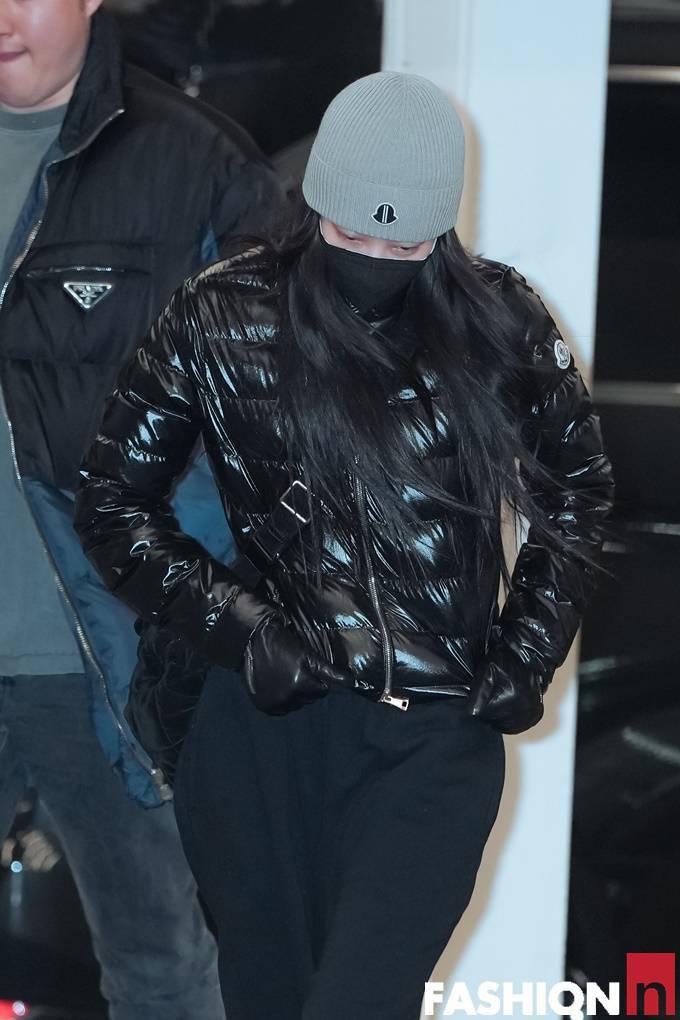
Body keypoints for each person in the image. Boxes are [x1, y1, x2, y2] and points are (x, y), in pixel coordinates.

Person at [75, 71, 615, 1020]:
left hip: (434, 738)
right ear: (315, 200)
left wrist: (525, 654)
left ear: (441, 227)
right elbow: (113, 503)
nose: (375, 256)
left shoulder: (501, 321)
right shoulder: (220, 313)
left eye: (403, 240)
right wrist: (245, 631)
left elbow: (577, 494)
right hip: (264, 728)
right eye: (352, 231)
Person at [0, 0, 281, 1017]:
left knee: (160, 960)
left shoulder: (193, 162)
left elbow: (274, 423)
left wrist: (199, 614)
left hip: (105, 657)